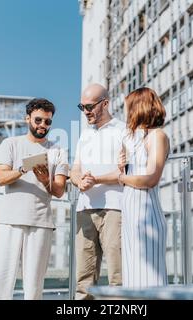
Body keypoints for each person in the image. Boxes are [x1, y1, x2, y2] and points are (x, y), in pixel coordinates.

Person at [0, 98, 69, 300]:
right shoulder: (10, 143)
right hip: (8, 221)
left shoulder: (58, 152)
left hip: (40, 222)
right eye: (39, 120)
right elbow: (1, 178)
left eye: (48, 122)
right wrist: (24, 169)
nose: (43, 125)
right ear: (28, 119)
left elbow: (59, 191)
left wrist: (44, 180)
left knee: (34, 288)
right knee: (0, 283)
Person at [70, 84, 125, 299]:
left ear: (105, 103)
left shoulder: (123, 130)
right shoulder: (84, 135)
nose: (86, 112)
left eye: (90, 106)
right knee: (84, 277)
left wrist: (95, 180)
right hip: (85, 208)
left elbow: (125, 171)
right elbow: (75, 169)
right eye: (81, 107)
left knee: (117, 275)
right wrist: (78, 181)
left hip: (114, 208)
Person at [117, 87, 170, 288]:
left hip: (146, 217)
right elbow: (133, 174)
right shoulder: (137, 140)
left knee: (149, 282)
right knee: (133, 282)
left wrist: (122, 177)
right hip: (131, 216)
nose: (127, 114)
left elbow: (151, 178)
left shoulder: (157, 136)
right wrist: (123, 165)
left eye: (129, 108)